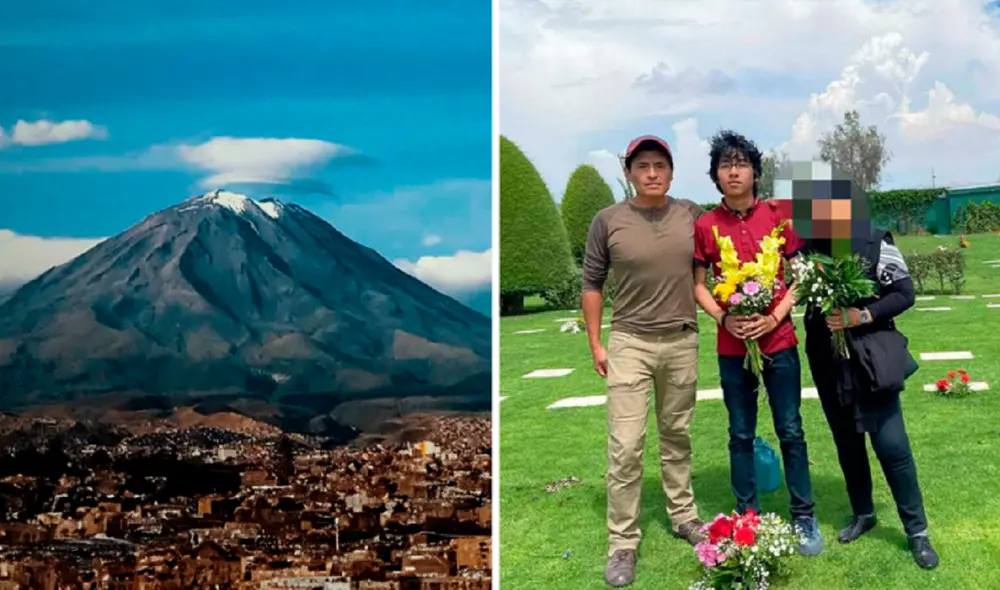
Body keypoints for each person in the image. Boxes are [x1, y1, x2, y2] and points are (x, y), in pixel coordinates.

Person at [581, 135, 706, 588]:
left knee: (677, 434)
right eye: (642, 166)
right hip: (630, 342)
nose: (651, 173)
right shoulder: (607, 220)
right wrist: (597, 344)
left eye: (659, 165)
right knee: (626, 445)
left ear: (671, 172)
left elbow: (719, 257)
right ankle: (623, 542)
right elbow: (592, 283)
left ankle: (684, 516)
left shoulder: (691, 214)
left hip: (681, 340)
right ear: (629, 174)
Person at [796, 177, 940, 570]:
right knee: (846, 442)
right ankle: (863, 512)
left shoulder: (877, 242)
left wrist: (862, 313)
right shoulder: (805, 254)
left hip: (871, 358)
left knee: (892, 445)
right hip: (827, 361)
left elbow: (905, 293)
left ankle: (917, 532)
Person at [691, 130, 823, 557]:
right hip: (733, 348)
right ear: (715, 175)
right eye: (725, 165)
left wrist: (773, 316)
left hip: (780, 341)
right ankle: (746, 516)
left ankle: (803, 515)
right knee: (740, 432)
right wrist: (724, 317)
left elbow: (801, 275)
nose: (733, 171)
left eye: (741, 163)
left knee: (790, 429)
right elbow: (698, 285)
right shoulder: (706, 226)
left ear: (754, 171)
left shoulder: (779, 216)